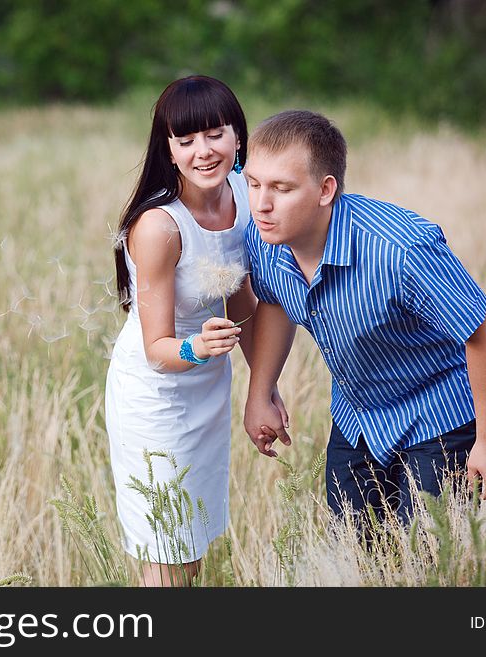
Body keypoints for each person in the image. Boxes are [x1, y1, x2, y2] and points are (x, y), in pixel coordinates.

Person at [242, 109, 486, 525]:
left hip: (437, 417)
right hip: (358, 419)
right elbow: (276, 302)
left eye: (281, 188)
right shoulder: (264, 237)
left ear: (325, 189)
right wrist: (260, 392)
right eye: (254, 184)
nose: (262, 203)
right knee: (353, 554)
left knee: (428, 561)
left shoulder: (400, 250)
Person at [105, 76, 286, 586]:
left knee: (191, 544)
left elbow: (246, 301)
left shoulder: (246, 194)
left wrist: (263, 387)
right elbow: (158, 348)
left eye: (214, 134)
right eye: (186, 142)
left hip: (208, 383)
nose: (203, 152)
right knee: (166, 543)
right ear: (169, 150)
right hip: (156, 393)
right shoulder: (160, 227)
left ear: (238, 136)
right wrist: (199, 346)